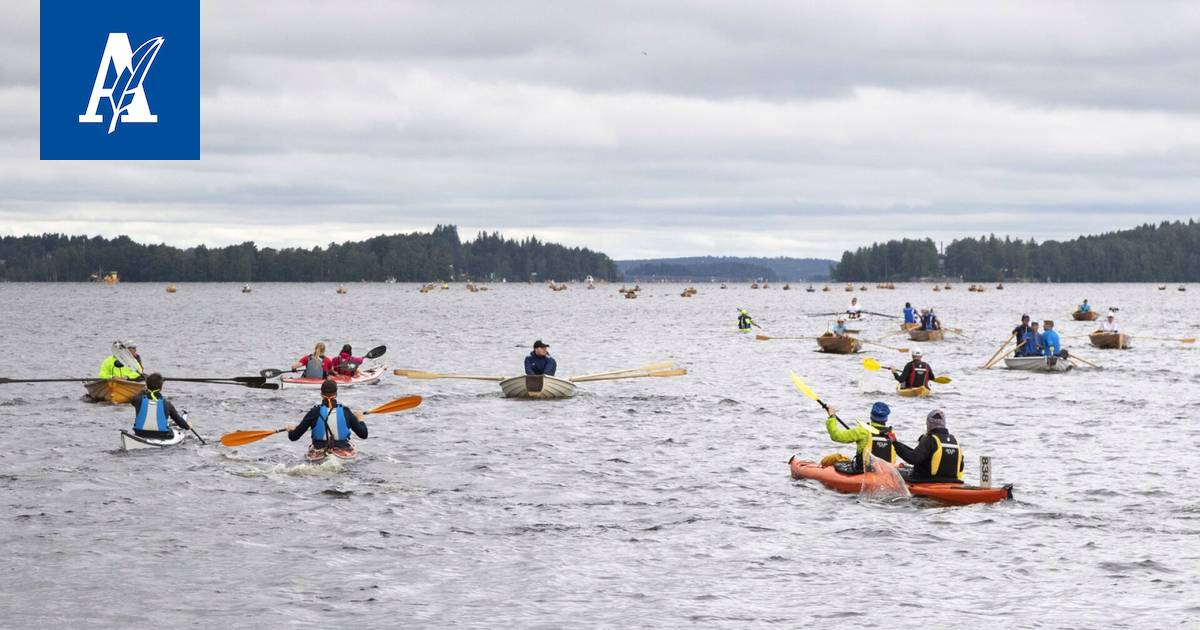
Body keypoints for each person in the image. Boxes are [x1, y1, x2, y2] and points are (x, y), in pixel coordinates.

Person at [287, 379, 367, 451]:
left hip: (319, 450)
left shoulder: (314, 412)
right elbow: (363, 435)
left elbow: (294, 437)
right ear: (336, 394)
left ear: (321, 394)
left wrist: (291, 430)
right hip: (342, 449)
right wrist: (360, 419)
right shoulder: (346, 412)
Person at [822, 401, 897, 472]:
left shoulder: (862, 431)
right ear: (886, 418)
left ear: (871, 415)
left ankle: (820, 468)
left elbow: (836, 436)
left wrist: (832, 417)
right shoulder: (891, 434)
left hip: (863, 470)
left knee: (836, 457)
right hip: (887, 471)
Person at [893, 409, 963, 482]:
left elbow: (913, 459)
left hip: (926, 481)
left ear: (929, 424)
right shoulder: (954, 441)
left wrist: (895, 444)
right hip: (953, 481)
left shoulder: (930, 439)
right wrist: (897, 443)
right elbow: (961, 467)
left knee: (894, 472)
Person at [128, 372, 190, 438]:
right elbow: (178, 420)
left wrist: (143, 390)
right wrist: (187, 426)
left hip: (140, 433)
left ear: (147, 386)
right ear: (161, 388)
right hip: (162, 435)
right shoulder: (167, 404)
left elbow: (133, 399)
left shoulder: (138, 400)